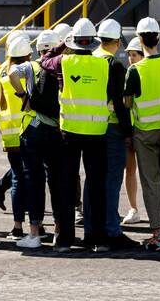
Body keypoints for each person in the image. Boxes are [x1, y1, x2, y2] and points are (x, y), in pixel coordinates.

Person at [48, 17, 123, 253]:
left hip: (69, 132)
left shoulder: (63, 62)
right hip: (97, 133)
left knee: (66, 186)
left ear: (73, 42)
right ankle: (96, 239)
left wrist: (62, 44)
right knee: (97, 186)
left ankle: (65, 239)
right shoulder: (106, 66)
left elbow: (42, 61)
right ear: (93, 43)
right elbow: (116, 100)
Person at [124, 16, 160, 251]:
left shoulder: (135, 70)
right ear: (159, 37)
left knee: (151, 182)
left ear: (139, 39)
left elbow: (127, 103)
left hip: (145, 132)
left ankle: (157, 235)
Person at [85, 18, 139, 250]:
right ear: (117, 41)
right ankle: (111, 231)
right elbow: (119, 103)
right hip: (112, 129)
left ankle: (90, 230)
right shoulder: (114, 65)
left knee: (92, 179)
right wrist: (128, 132)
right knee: (112, 180)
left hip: (88, 127)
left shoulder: (88, 59)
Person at [9, 28, 63, 250]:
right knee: (57, 181)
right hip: (56, 130)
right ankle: (59, 231)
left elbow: (10, 72)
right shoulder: (62, 65)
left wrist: (23, 95)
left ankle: (34, 233)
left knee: (34, 181)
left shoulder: (31, 67)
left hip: (33, 130)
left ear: (38, 49)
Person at [0, 34, 32, 239]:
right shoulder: (29, 71)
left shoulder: (2, 72)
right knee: (32, 177)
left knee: (18, 178)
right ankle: (36, 225)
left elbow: (1, 102)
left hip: (9, 132)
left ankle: (17, 227)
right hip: (28, 130)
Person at [122, 36, 143, 225]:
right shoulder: (129, 73)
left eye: (134, 54)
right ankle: (133, 208)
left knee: (148, 172)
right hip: (131, 129)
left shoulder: (142, 73)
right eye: (129, 55)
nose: (130, 58)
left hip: (144, 129)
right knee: (130, 170)